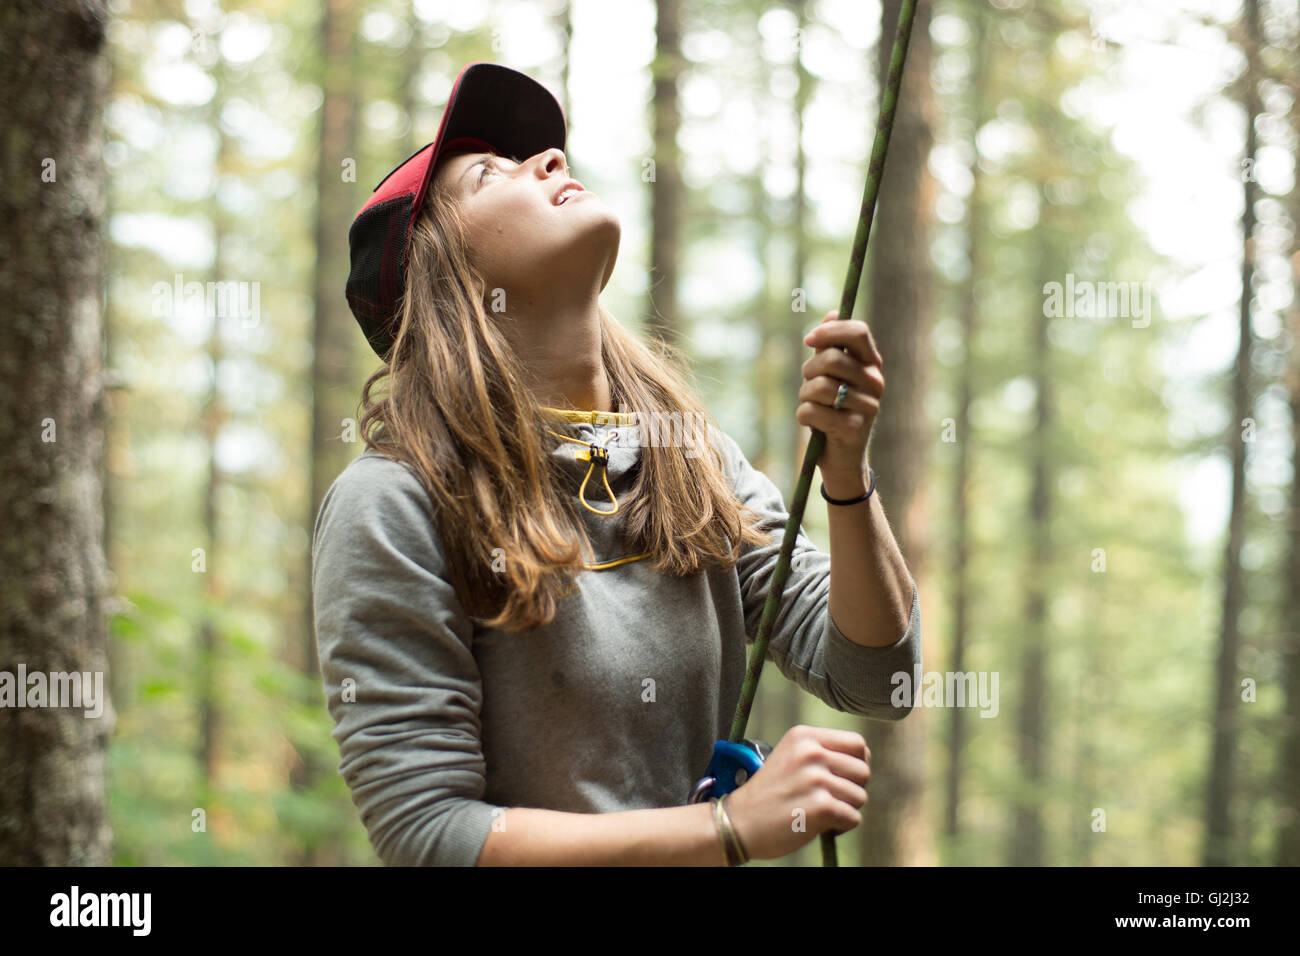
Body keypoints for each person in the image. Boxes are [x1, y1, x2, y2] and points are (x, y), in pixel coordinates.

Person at [312, 62, 922, 866]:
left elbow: (877, 676)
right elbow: (429, 835)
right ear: (445, 278)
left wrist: (846, 476)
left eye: (545, 155)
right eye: (492, 174)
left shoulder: (688, 457)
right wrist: (726, 830)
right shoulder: (393, 503)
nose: (552, 161)